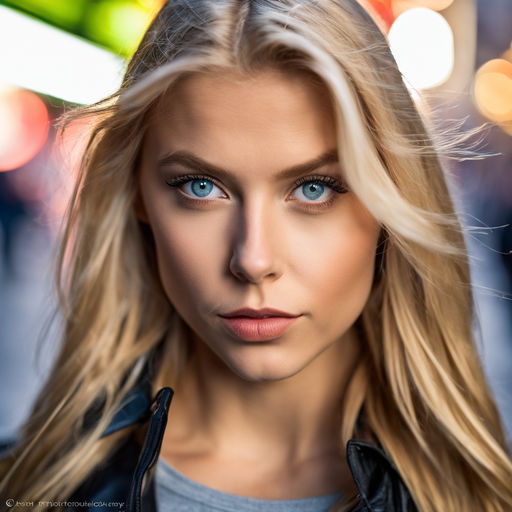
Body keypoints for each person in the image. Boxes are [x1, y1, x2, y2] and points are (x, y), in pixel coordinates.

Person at [1, 0, 511, 510]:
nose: (253, 258)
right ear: (137, 196)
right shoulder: (27, 491)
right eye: (200, 186)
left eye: (314, 188)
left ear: (391, 202)